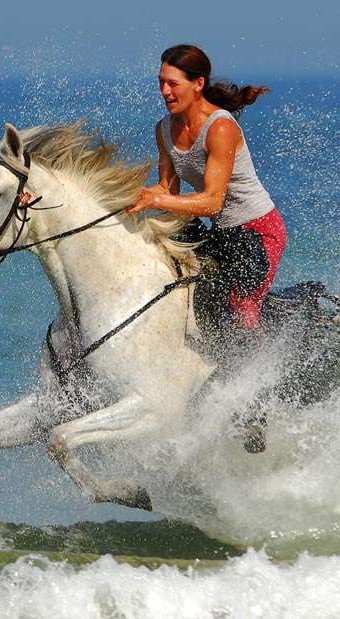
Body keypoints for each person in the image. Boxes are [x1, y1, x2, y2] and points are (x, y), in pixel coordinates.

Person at [128, 43, 286, 452]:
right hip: (220, 233)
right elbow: (166, 190)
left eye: (172, 83)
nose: (164, 90)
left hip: (258, 231)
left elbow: (212, 200)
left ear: (198, 84)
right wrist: (125, 203)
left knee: (241, 312)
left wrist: (156, 200)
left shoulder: (221, 128)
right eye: (160, 82)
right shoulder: (164, 129)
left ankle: (256, 405)